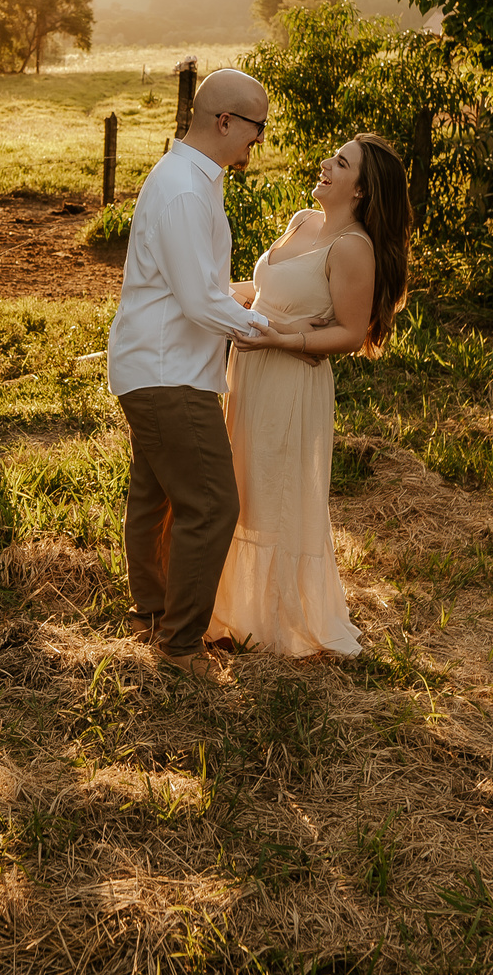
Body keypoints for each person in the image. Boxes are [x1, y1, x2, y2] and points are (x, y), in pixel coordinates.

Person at [209, 132, 412, 658]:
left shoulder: (352, 248)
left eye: (341, 163)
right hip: (250, 371)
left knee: (273, 494)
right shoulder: (303, 221)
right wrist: (209, 294)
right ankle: (232, 609)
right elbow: (265, 292)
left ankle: (273, 621)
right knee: (243, 484)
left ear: (361, 190)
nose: (325, 163)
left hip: (290, 380)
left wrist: (283, 338)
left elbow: (350, 333)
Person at [107, 68, 273, 679]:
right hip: (168, 371)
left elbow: (197, 285)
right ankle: (179, 645)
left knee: (154, 498)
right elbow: (201, 303)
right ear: (225, 121)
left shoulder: (193, 180)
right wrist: (271, 331)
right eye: (257, 127)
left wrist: (246, 296)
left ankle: (152, 614)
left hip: (161, 364)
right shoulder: (183, 188)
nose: (259, 141)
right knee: (212, 503)